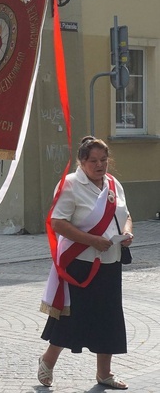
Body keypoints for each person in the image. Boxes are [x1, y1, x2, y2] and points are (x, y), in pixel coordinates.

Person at [38, 136, 133, 390]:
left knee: (109, 317)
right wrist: (91, 239)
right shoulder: (69, 184)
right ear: (82, 161)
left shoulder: (113, 184)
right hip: (79, 263)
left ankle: (104, 374)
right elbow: (58, 222)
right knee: (71, 318)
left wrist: (127, 232)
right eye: (94, 161)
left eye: (103, 160)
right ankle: (47, 361)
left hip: (109, 261)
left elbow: (126, 215)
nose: (100, 165)